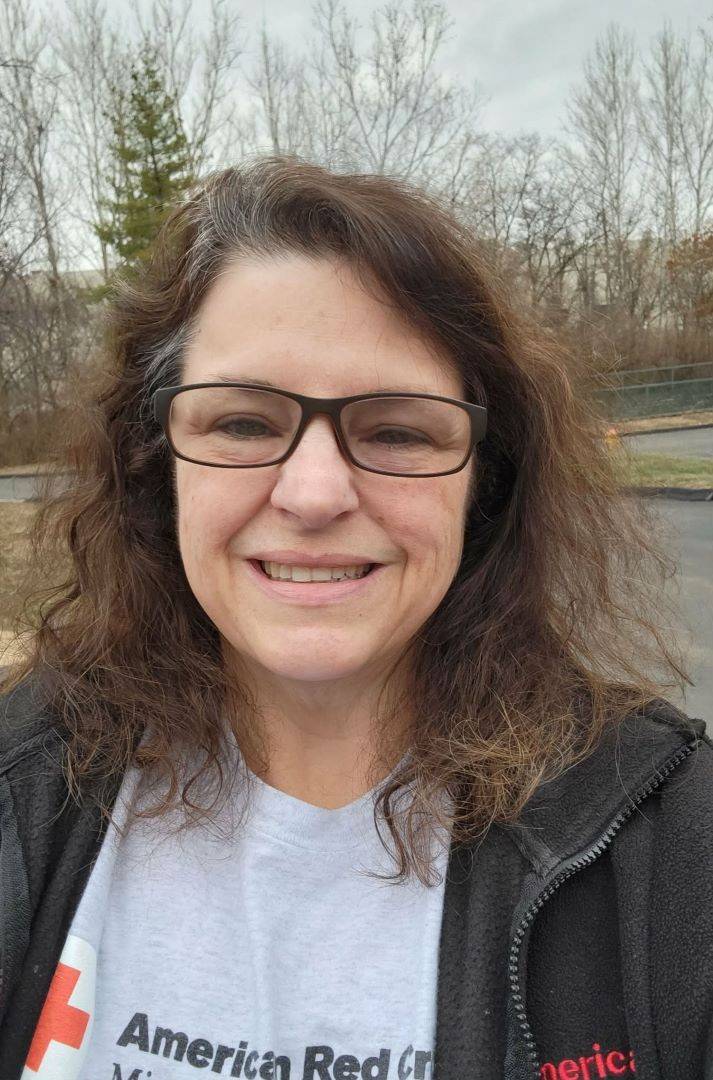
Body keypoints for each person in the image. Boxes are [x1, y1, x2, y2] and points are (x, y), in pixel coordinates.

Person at [0, 155, 711, 1080]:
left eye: (396, 431)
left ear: (482, 485)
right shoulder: (22, 795)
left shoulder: (668, 845)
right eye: (244, 424)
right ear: (156, 466)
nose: (313, 493)